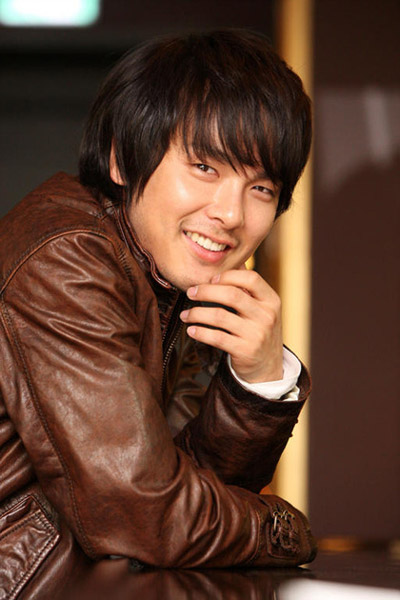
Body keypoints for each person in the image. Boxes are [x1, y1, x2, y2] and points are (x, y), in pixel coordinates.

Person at [0, 29, 316, 597]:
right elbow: (146, 515)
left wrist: (258, 381)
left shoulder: (177, 282)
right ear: (122, 158)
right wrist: (279, 528)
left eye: (262, 188)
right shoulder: (68, 257)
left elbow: (190, 500)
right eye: (205, 167)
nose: (230, 214)